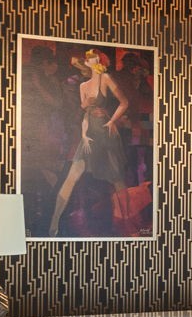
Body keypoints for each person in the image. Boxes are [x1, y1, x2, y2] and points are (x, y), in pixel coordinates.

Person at [47, 48, 132, 236]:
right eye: (88, 59)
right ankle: (54, 223)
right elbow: (84, 111)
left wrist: (112, 121)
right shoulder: (83, 86)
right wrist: (85, 125)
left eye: (93, 57)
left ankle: (128, 223)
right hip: (89, 132)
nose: (89, 60)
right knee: (72, 176)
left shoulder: (106, 79)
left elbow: (124, 102)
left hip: (105, 131)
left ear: (99, 60)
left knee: (117, 178)